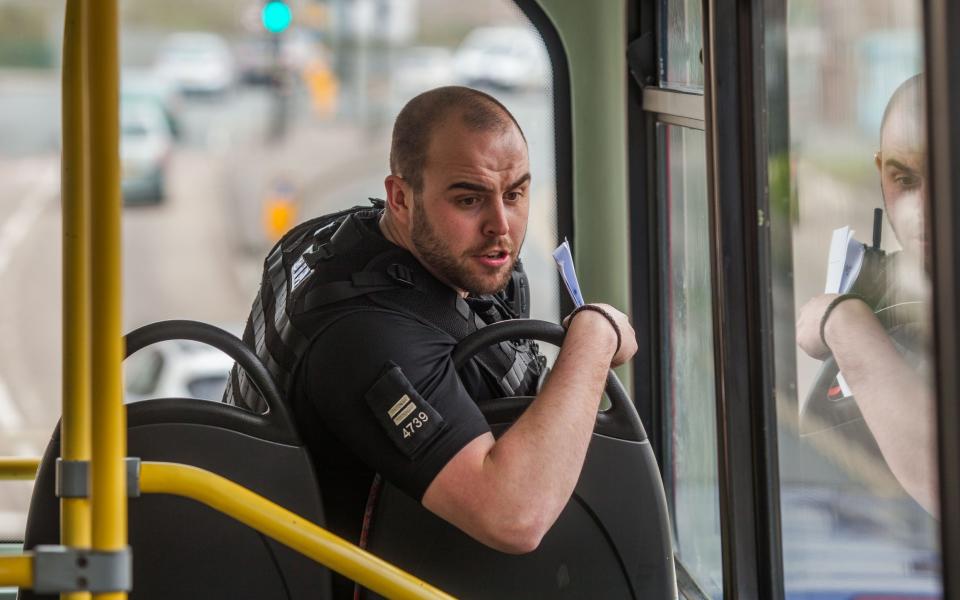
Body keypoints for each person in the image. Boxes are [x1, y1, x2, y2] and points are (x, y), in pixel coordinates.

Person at [225, 86, 637, 597]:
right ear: (399, 197)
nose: (501, 227)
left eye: (515, 194)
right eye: (468, 199)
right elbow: (514, 515)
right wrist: (595, 337)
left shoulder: (321, 237)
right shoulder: (368, 334)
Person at [795, 74, 937, 515]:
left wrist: (842, 323)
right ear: (880, 171)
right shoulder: (887, 285)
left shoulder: (855, 313)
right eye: (905, 179)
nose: (923, 212)